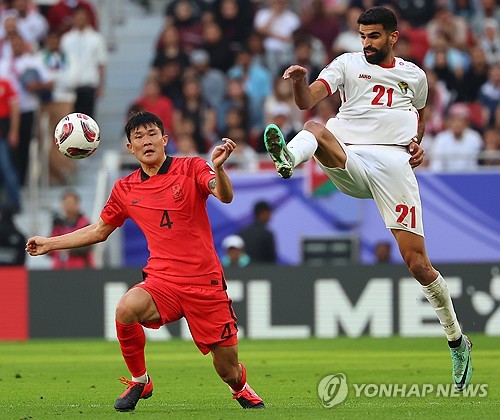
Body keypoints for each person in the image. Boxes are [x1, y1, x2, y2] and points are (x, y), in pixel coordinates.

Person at [263, 6, 472, 391]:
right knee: (314, 125)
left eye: (374, 36)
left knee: (418, 264)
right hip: (352, 155)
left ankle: (457, 340)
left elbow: (419, 116)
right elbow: (306, 101)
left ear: (392, 36)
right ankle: (288, 158)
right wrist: (298, 81)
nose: (367, 43)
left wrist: (417, 143)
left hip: (393, 165)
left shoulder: (414, 76)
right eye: (363, 36)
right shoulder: (346, 64)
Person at [26, 112, 264, 412]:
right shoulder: (125, 189)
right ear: (130, 148)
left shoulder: (191, 167)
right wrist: (50, 243)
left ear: (164, 140)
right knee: (126, 307)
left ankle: (240, 387)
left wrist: (218, 168)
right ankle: (141, 380)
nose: (146, 140)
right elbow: (100, 230)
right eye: (138, 137)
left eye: (152, 133)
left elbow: (224, 195)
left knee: (227, 370)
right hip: (162, 280)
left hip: (204, 282)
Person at [50, 190, 94, 269]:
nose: (68, 206)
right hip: (60, 269)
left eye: (70, 203)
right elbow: (49, 246)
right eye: (65, 203)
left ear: (77, 204)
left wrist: (67, 247)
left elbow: (88, 245)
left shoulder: (84, 223)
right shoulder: (58, 224)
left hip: (81, 268)